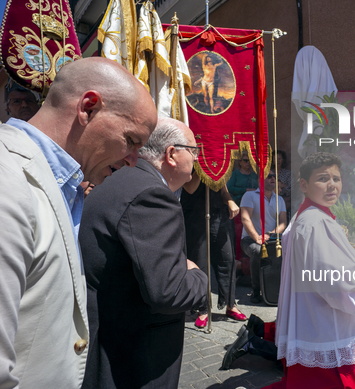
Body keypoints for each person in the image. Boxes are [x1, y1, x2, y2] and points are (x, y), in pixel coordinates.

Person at [0, 57, 157, 388]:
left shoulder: (63, 185)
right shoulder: (7, 179)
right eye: (131, 141)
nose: (133, 162)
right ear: (88, 108)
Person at [79, 117, 208, 389]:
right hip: (133, 356)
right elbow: (169, 292)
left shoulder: (122, 179)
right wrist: (197, 276)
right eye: (194, 152)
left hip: (112, 336)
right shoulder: (152, 195)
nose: (197, 161)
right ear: (172, 154)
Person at [267, 152, 355, 388]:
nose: (332, 185)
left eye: (336, 179)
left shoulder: (305, 216)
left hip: (310, 319)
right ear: (304, 185)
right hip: (327, 327)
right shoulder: (317, 222)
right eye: (323, 178)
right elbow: (337, 284)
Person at [181, 174, 247, 328]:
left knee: (227, 260)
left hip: (218, 216)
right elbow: (190, 189)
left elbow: (223, 192)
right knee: (200, 262)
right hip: (195, 217)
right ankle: (202, 309)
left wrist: (230, 201)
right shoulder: (192, 167)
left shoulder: (217, 168)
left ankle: (230, 305)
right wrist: (202, 170)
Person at [240, 168, 287, 303]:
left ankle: (276, 290)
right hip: (250, 239)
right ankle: (256, 290)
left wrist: (271, 234)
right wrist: (257, 238)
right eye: (269, 176)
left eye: (274, 176)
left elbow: (283, 222)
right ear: (260, 179)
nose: (273, 179)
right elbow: (245, 219)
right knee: (257, 250)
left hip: (272, 239)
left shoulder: (279, 199)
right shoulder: (249, 196)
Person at [275, 149, 291, 215]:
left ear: (283, 160)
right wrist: (282, 185)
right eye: (275, 158)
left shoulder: (288, 173)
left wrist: (277, 186)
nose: (277, 160)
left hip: (285, 198)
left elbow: (290, 189)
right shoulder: (269, 173)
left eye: (279, 158)